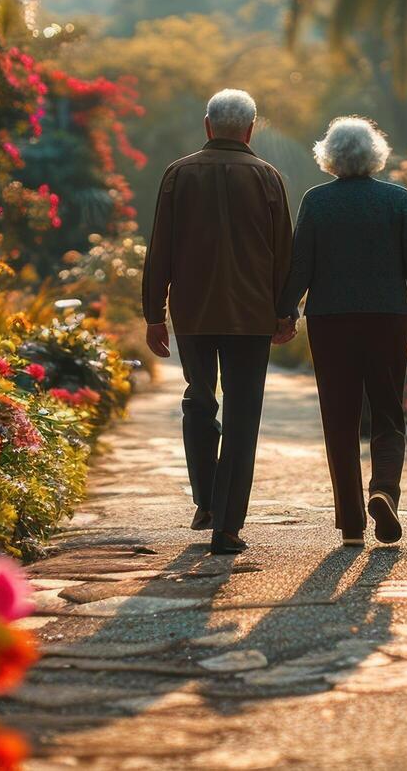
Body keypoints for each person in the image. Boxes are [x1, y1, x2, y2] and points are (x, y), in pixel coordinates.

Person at [142, 89, 295, 556]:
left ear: (208, 126)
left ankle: (206, 500)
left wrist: (155, 314)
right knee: (244, 414)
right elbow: (284, 254)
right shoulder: (268, 177)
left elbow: (160, 248)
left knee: (199, 399)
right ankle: (226, 526)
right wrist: (286, 311)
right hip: (251, 317)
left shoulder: (178, 174)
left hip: (193, 312)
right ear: (250, 130)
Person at [278, 116, 407, 547]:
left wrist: (285, 311)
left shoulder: (317, 201)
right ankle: (384, 489)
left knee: (339, 418)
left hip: (330, 320)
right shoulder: (398, 199)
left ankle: (350, 523)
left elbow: (301, 264)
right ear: (375, 155)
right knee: (388, 413)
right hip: (388, 317)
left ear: (329, 156)